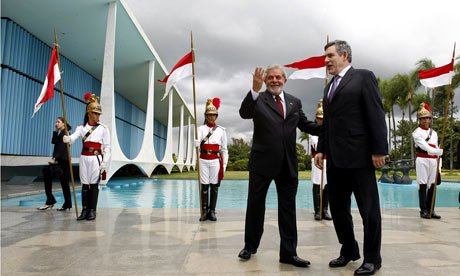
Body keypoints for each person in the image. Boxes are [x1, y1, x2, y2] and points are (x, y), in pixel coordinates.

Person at [314, 40, 388, 276]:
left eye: (329, 56)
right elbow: (327, 124)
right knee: (337, 209)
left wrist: (379, 150)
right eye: (325, 56)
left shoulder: (364, 77)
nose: (326, 61)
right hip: (335, 160)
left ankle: (372, 259)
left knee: (369, 211)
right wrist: (321, 150)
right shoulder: (329, 87)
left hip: (360, 158)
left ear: (344, 55)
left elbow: (376, 114)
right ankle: (349, 250)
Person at [238, 64, 320, 267]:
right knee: (255, 207)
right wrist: (254, 90)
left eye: (278, 77)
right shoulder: (259, 99)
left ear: (285, 79)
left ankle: (289, 253)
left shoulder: (295, 102)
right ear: (265, 81)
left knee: (288, 209)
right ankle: (250, 246)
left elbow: (306, 125)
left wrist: (328, 127)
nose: (274, 80)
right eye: (270, 78)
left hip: (287, 164)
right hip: (261, 162)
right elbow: (244, 113)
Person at [64, 93, 110, 221]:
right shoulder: (81, 128)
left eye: (99, 114)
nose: (98, 116)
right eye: (95, 113)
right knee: (85, 185)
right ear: (89, 113)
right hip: (84, 158)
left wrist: (105, 161)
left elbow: (107, 148)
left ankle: (92, 210)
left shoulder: (103, 129)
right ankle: (84, 210)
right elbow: (73, 137)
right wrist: (68, 138)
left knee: (94, 185)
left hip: (96, 158)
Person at [196, 98, 228, 221]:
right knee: (204, 187)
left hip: (215, 160)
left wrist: (224, 165)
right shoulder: (200, 129)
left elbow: (224, 149)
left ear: (216, 116)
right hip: (203, 160)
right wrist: (195, 143)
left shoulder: (221, 130)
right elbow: (197, 145)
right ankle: (204, 212)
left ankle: (212, 211)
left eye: (213, 115)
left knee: (214, 187)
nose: (211, 117)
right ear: (205, 116)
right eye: (209, 115)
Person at [412, 102, 443, 219]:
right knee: (423, 184)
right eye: (423, 118)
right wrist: (436, 152)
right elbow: (425, 146)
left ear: (430, 119)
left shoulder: (434, 133)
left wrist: (439, 165)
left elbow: (436, 146)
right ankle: (423, 210)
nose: (426, 120)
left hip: (433, 161)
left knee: (432, 185)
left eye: (427, 118)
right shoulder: (416, 133)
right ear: (420, 120)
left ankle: (431, 210)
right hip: (422, 159)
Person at [38, 117, 73, 211]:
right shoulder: (61, 133)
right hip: (60, 161)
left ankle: (54, 202)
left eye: (58, 122)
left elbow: (61, 148)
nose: (56, 123)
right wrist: (55, 131)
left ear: (63, 124)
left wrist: (54, 158)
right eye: (56, 122)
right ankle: (59, 202)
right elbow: (53, 142)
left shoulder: (65, 133)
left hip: (62, 162)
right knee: (53, 178)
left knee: (63, 183)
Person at [310, 100, 331, 221]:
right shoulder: (314, 131)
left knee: (326, 184)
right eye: (319, 118)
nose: (320, 120)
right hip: (317, 161)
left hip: (328, 160)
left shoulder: (329, 130)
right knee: (317, 183)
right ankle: (317, 210)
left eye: (322, 118)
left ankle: (325, 210)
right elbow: (316, 145)